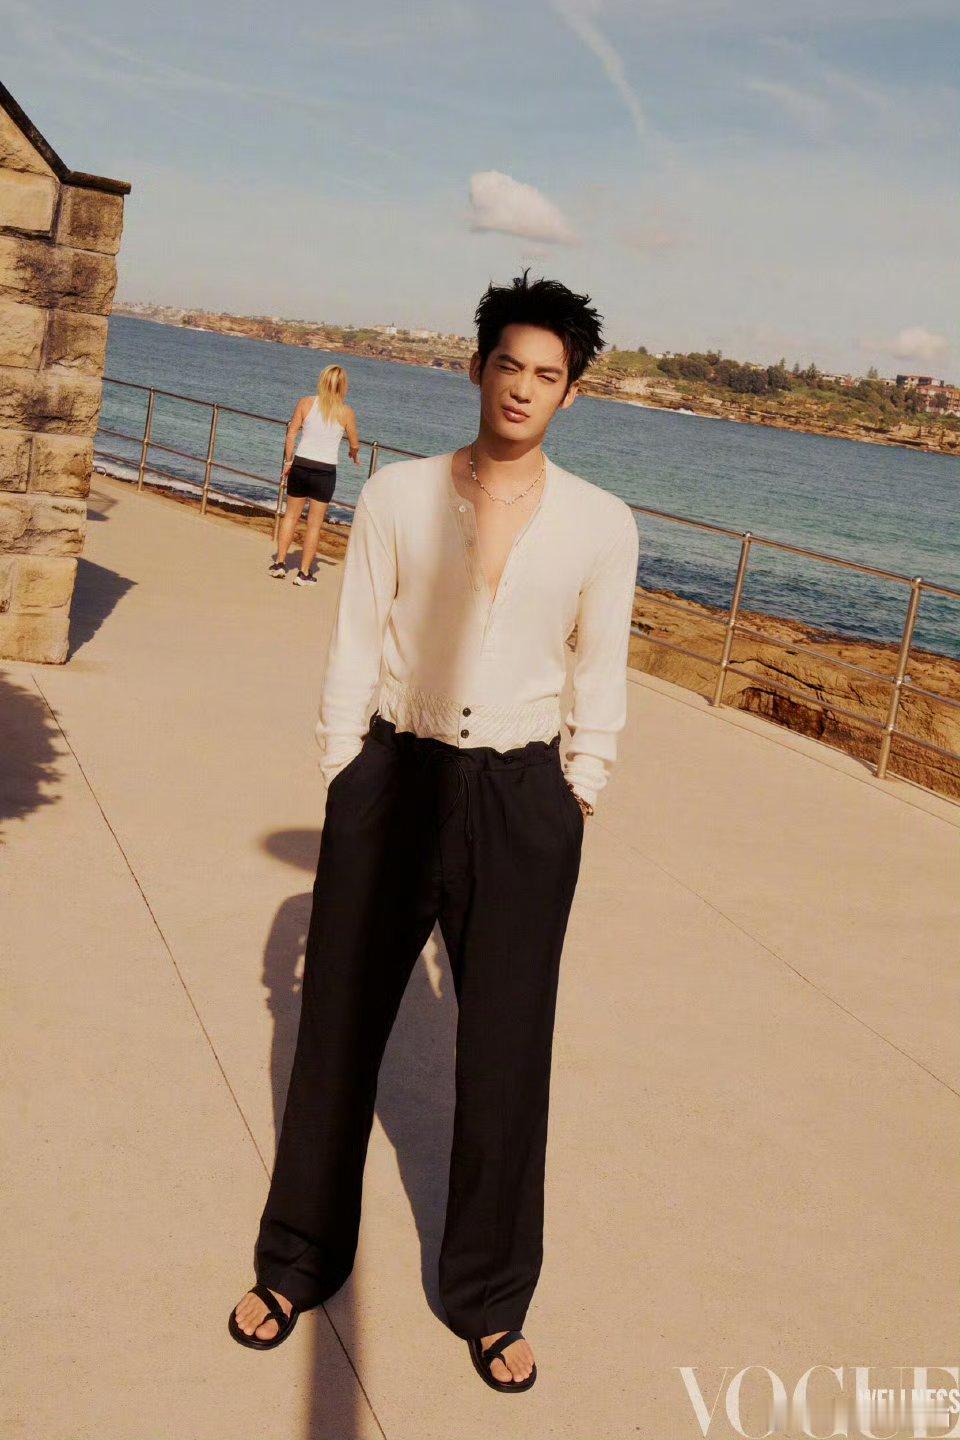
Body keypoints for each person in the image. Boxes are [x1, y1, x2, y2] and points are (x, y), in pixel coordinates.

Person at [231, 269, 640, 1393]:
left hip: (521, 798)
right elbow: (357, 637)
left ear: (571, 394)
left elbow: (601, 671)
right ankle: (296, 1263)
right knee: (334, 1038)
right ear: (476, 368)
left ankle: (491, 1298)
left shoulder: (603, 525)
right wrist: (345, 769)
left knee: (505, 1055)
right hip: (394, 776)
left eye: (547, 374)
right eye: (508, 364)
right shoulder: (401, 495)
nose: (523, 387)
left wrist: (579, 790)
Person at [269, 364, 361, 585]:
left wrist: (288, 460)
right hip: (325, 471)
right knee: (314, 524)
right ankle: (304, 573)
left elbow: (291, 434)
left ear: (322, 381)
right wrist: (353, 453)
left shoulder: (305, 402)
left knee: (291, 516)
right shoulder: (346, 412)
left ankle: (279, 563)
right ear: (343, 386)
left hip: (300, 465)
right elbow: (355, 443)